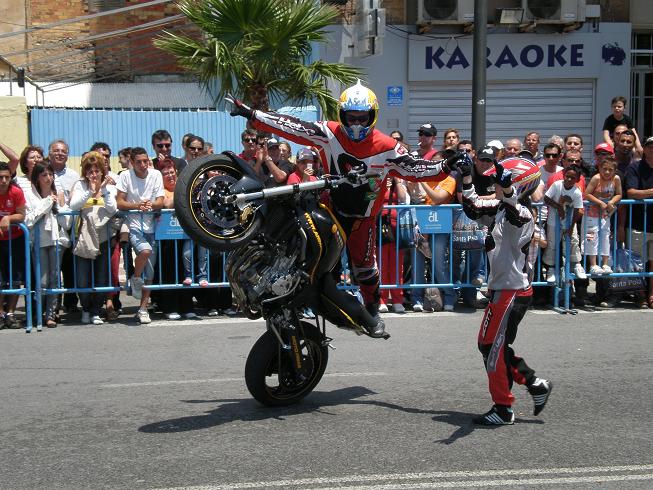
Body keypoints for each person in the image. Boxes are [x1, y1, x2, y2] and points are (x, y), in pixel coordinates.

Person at [227, 81, 457, 338]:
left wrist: (445, 166)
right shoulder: (329, 132)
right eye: (351, 117)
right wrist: (253, 115)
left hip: (363, 219)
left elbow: (415, 168)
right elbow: (292, 126)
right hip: (330, 207)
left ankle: (371, 308)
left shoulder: (388, 147)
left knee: (364, 266)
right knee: (308, 241)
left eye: (362, 117)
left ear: (372, 116)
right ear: (342, 115)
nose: (356, 123)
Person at [453, 154, 552, 425]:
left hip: (512, 292)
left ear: (516, 186)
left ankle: (503, 408)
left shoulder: (522, 213)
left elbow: (512, 208)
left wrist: (507, 189)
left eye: (498, 182)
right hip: (503, 290)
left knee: (491, 348)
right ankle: (534, 382)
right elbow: (473, 206)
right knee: (490, 346)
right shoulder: (500, 206)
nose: (493, 185)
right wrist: (465, 176)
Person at [116, 147, 165, 325]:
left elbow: (160, 201)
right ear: (132, 162)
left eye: (145, 161)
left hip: (152, 226)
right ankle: (136, 277)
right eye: (139, 162)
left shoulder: (156, 175)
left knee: (150, 272)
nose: (143, 165)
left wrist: (150, 205)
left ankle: (143, 308)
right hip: (134, 225)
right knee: (144, 251)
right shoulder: (125, 176)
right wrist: (138, 205)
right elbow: (120, 202)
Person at [69, 152, 118, 325]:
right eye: (90, 171)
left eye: (97, 170)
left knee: (101, 277)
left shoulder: (109, 187)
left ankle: (96, 310)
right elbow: (73, 205)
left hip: (103, 237)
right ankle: (86, 309)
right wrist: (89, 192)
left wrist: (103, 190)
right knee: (83, 278)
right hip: (84, 237)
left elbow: (112, 209)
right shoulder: (80, 185)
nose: (94, 174)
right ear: (85, 171)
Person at [25, 162, 71, 328]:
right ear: (37, 177)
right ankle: (38, 313)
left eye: (50, 174)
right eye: (44, 175)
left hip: (57, 240)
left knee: (54, 279)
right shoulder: (30, 195)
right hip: (39, 241)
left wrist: (59, 205)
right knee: (42, 280)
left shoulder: (58, 194)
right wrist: (46, 204)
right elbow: (29, 220)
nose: (48, 178)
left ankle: (51, 314)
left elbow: (67, 222)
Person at [543, 165, 586, 284]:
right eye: (567, 176)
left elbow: (578, 209)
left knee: (573, 241)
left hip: (569, 221)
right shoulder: (557, 185)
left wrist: (572, 227)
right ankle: (551, 269)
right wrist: (558, 207)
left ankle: (577, 264)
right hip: (553, 221)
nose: (569, 179)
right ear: (563, 176)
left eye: (573, 178)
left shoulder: (576, 192)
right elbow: (546, 198)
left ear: (577, 179)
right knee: (552, 244)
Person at [624, 136, 653, 308]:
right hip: (637, 223)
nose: (652, 149)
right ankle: (640, 295)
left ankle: (651, 294)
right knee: (637, 263)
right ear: (644, 149)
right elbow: (632, 192)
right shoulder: (635, 167)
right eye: (649, 146)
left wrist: (646, 193)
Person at [582, 156, 622, 276]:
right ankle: (593, 264)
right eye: (604, 169)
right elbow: (587, 194)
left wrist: (611, 202)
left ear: (615, 170)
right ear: (599, 168)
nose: (607, 172)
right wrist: (600, 202)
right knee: (591, 237)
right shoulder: (596, 178)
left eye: (610, 169)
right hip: (591, 214)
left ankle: (605, 263)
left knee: (605, 236)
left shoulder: (616, 179)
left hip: (605, 215)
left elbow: (619, 194)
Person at [0, 161, 27, 329]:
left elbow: (22, 215)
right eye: (0, 177)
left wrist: (8, 218)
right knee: (0, 279)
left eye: (6, 177)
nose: (3, 181)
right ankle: (0, 314)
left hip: (15, 240)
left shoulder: (16, 191)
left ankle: (10, 313)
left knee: (15, 278)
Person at [378, 176, 408, 313]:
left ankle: (397, 300)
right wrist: (383, 186)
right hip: (380, 225)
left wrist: (397, 181)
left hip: (397, 227)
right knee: (381, 265)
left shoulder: (398, 182)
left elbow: (403, 198)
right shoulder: (376, 180)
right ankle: (381, 299)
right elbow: (370, 199)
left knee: (397, 265)